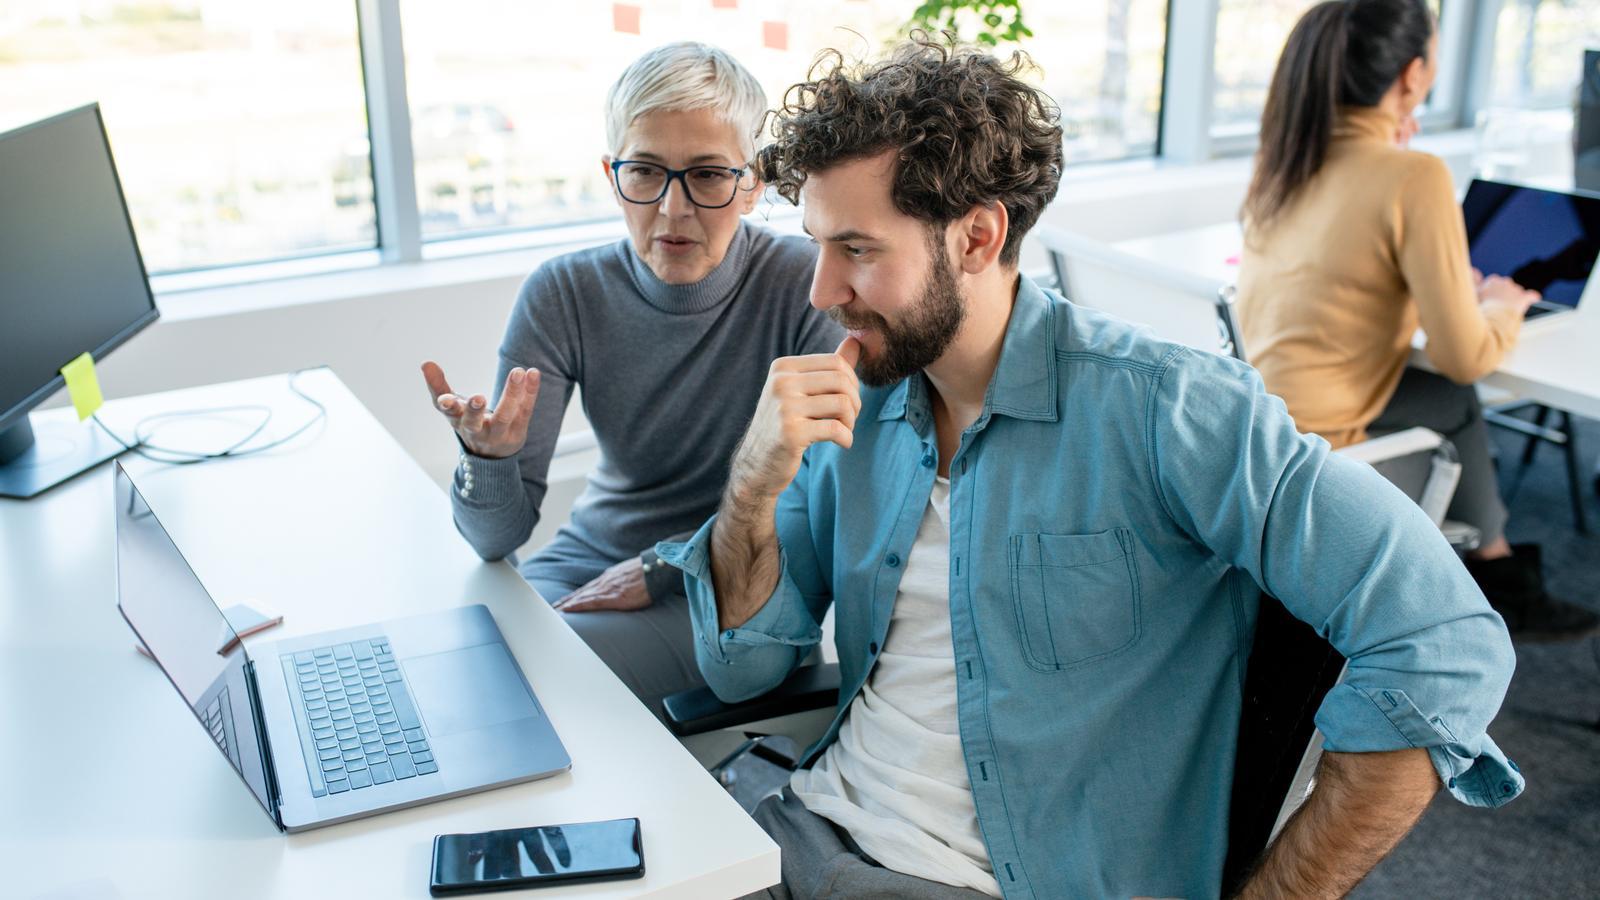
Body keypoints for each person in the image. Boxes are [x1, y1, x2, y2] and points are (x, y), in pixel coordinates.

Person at [655, 37, 1523, 899]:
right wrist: (754, 485)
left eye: (859, 249)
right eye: (817, 245)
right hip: (796, 829)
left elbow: (1443, 641)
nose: (820, 289)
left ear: (977, 237)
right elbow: (745, 672)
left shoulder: (1167, 411)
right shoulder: (862, 398)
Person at [420, 42, 841, 714]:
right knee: (453, 650)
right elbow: (494, 537)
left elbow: (813, 514)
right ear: (612, 172)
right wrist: (489, 460)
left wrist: (663, 566)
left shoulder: (805, 284)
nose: (672, 210)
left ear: (754, 180)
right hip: (594, 554)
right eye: (645, 171)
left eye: (706, 176)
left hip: (733, 585)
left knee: (525, 674)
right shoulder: (564, 292)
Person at [1235, 0, 1598, 638]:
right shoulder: (1413, 176)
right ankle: (1499, 576)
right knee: (1456, 383)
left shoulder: (1286, 157)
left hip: (1260, 433)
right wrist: (1501, 306)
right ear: (1411, 76)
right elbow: (1467, 354)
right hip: (1329, 457)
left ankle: (1498, 565)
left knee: (1442, 394)